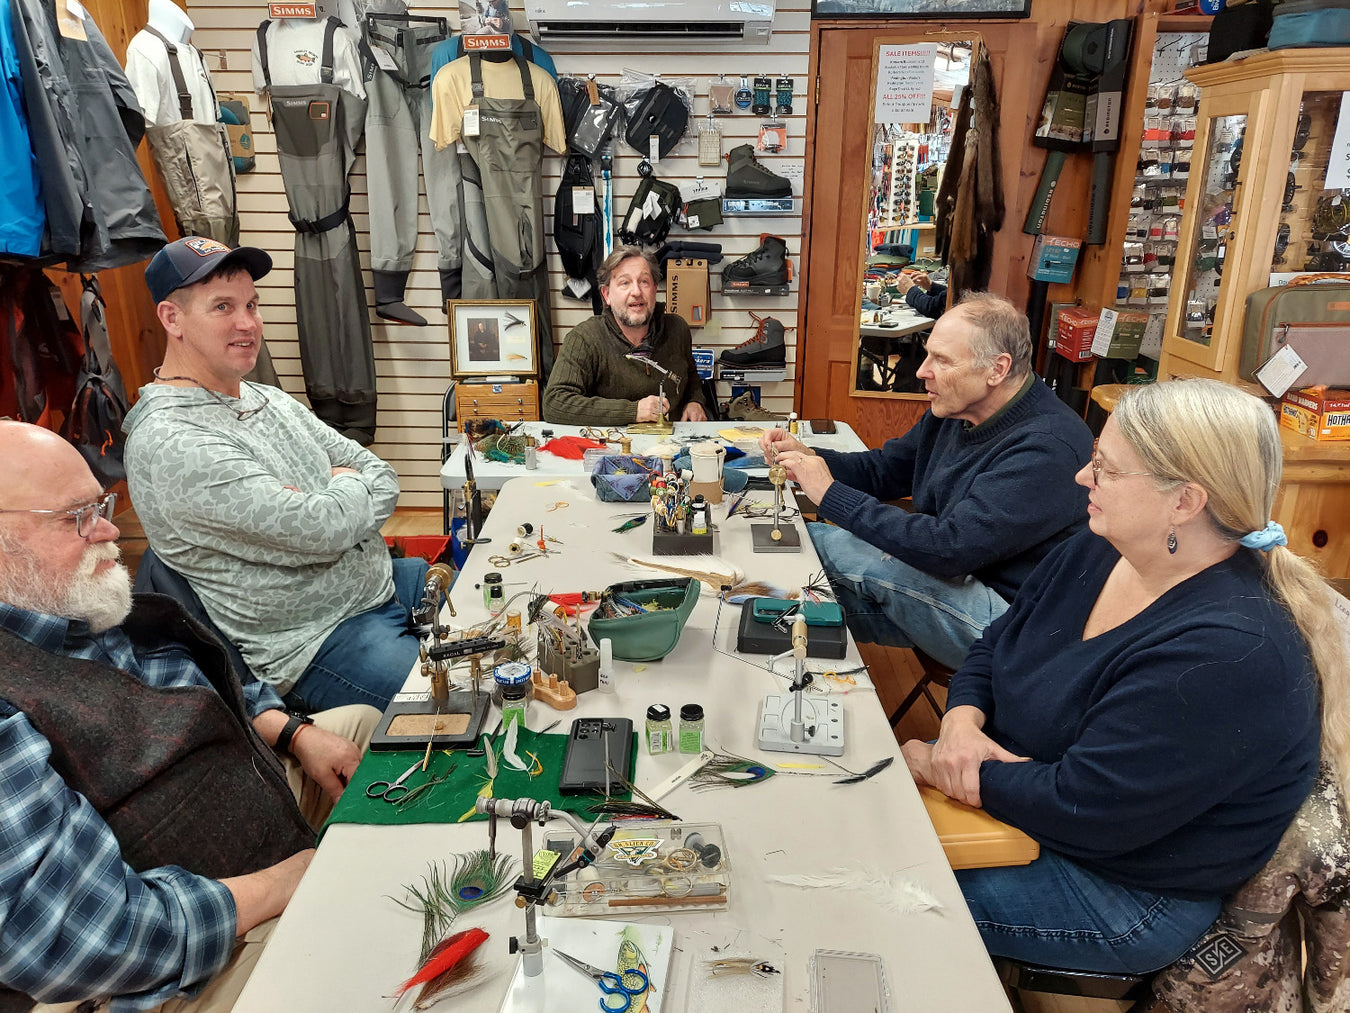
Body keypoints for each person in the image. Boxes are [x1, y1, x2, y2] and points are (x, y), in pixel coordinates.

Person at [902, 379, 1346, 976]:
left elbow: (1083, 808)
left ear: (1185, 502)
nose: (1083, 478)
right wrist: (959, 723)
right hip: (1024, 803)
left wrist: (947, 768)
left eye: (1105, 469)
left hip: (1122, 892)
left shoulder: (1228, 654)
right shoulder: (1101, 549)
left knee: (875, 896)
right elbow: (995, 645)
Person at [0, 421, 379, 1010]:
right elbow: (83, 940)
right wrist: (290, 881)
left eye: (102, 506)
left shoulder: (72, 603)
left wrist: (294, 731)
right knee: (376, 955)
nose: (109, 532)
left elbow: (208, 684)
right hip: (191, 952)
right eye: (75, 517)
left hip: (252, 809)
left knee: (366, 728)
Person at [123, 237, 428, 713]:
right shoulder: (172, 441)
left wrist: (333, 494)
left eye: (252, 304)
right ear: (172, 318)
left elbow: (382, 474)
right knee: (475, 708)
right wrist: (342, 485)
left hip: (384, 588)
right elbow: (324, 528)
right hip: (318, 644)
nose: (248, 324)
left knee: (516, 628)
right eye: (223, 306)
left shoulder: (266, 398)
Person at [762, 292, 1093, 668]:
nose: (922, 371)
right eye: (928, 353)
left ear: (997, 369)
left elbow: (948, 549)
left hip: (1016, 629)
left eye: (942, 360)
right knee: (809, 596)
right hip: (959, 578)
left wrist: (830, 493)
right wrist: (810, 458)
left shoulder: (1048, 447)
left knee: (836, 547)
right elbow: (886, 470)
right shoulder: (955, 408)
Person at [542, 246, 710, 426]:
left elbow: (691, 377)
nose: (636, 292)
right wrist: (633, 411)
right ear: (606, 295)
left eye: (644, 282)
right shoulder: (584, 339)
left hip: (672, 446)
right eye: (625, 283)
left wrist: (695, 401)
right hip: (610, 446)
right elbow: (555, 403)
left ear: (654, 289)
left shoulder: (677, 329)